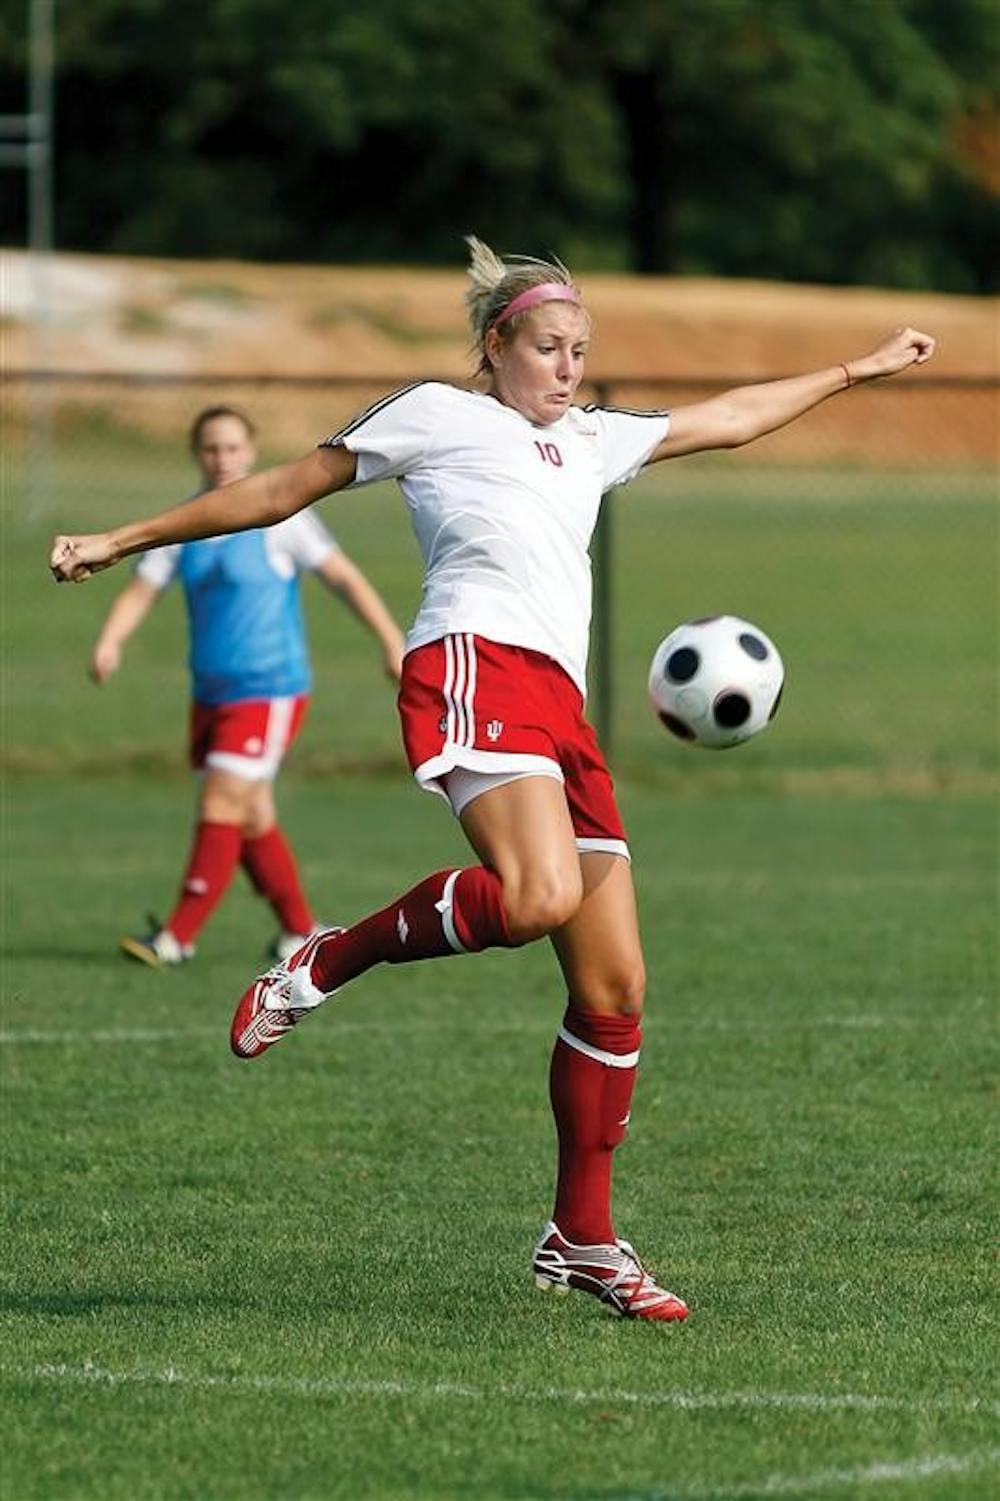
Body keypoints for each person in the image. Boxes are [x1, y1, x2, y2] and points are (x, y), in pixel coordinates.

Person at [51, 239, 934, 1321]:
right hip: (474, 662)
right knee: (535, 896)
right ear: (495, 346)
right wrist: (121, 536)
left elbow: (731, 416)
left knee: (614, 991)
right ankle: (326, 955)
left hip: (558, 709)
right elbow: (282, 487)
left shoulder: (596, 442)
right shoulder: (436, 414)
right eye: (550, 348)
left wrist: (856, 369)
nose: (569, 368)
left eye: (581, 350)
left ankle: (583, 1236)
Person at [87, 404, 405, 968]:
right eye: (211, 448)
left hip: (269, 688)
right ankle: (302, 933)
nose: (223, 459)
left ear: (251, 452)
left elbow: (343, 579)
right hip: (211, 692)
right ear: (196, 454)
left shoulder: (283, 519)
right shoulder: (184, 524)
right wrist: (111, 640)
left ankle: (177, 936)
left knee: (224, 798)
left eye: (233, 448)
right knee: (251, 813)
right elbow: (142, 589)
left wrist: (389, 641)